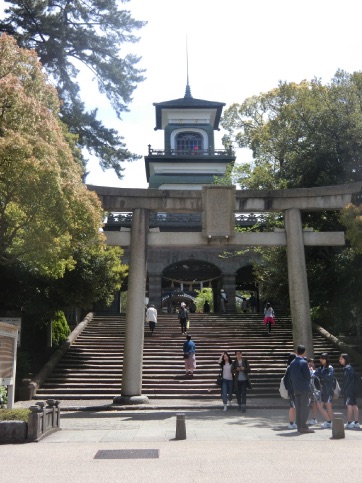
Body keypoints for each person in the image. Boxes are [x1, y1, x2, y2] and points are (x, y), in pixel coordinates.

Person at [288, 344, 314, 433]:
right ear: (304, 352)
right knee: (305, 407)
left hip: (296, 387)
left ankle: (299, 426)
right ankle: (303, 426)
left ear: (296, 352)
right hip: (304, 387)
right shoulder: (303, 362)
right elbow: (308, 376)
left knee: (298, 408)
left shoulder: (292, 363)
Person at [339, 353, 360, 429]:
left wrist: (343, 390)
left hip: (349, 390)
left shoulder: (346, 368)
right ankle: (356, 422)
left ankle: (349, 422)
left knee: (349, 405)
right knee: (354, 405)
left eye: (341, 359)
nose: (340, 360)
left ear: (345, 359)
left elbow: (346, 380)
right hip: (353, 389)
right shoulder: (350, 367)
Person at [314, 353, 334, 429]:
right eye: (320, 358)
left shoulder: (330, 368)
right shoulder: (320, 368)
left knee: (328, 406)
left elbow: (329, 377)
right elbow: (314, 374)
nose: (321, 360)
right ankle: (328, 421)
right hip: (321, 390)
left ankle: (332, 422)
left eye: (322, 358)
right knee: (319, 406)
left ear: (326, 359)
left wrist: (320, 374)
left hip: (328, 390)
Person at [284, 353, 297, 429]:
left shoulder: (289, 367)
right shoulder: (291, 367)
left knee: (293, 406)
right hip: (293, 389)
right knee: (293, 406)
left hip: (291, 389)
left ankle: (293, 422)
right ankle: (291, 422)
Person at [307, 358, 318, 425]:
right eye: (309, 362)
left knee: (314, 404)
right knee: (306, 404)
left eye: (312, 362)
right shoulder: (305, 371)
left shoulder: (315, 371)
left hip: (314, 390)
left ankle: (314, 418)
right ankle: (304, 418)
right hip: (307, 390)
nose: (311, 364)